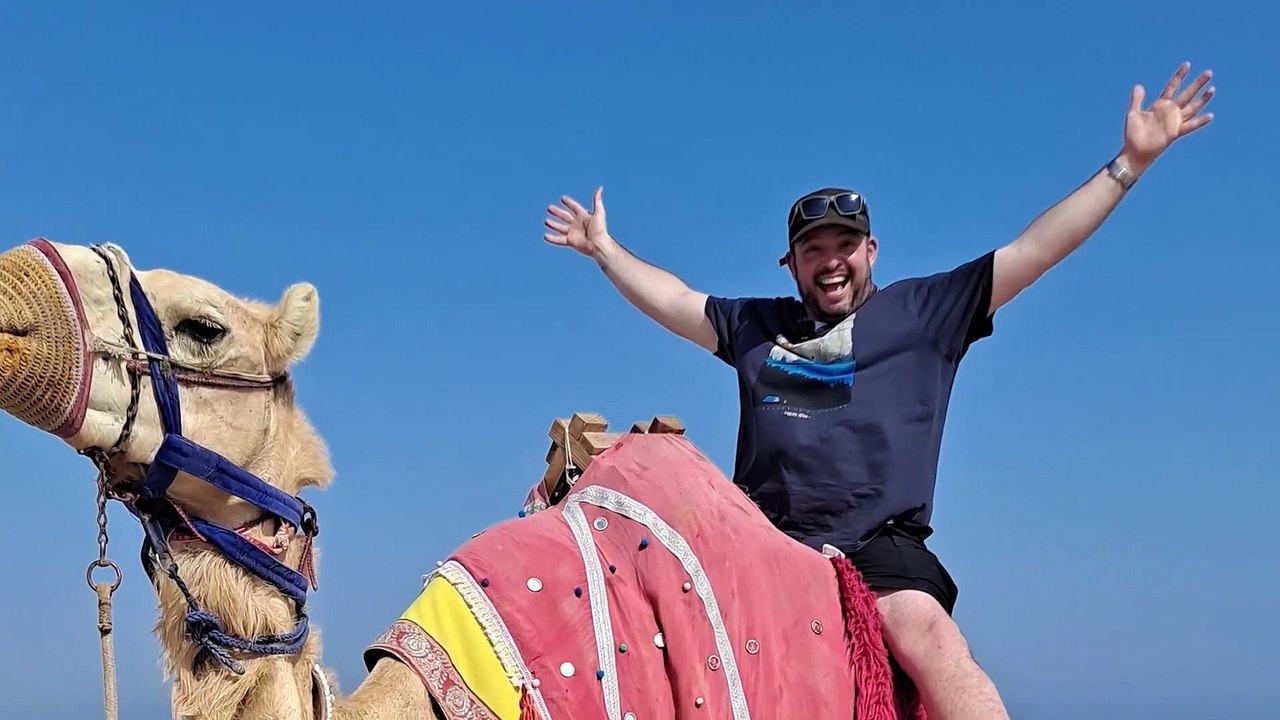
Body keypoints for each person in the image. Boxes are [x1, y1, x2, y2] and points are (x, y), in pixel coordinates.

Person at [541, 63, 1214, 720]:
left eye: (845, 244)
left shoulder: (925, 314)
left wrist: (1129, 165)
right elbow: (676, 300)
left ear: (871, 251)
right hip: (762, 539)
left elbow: (1035, 249)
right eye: (813, 249)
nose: (830, 259)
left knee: (930, 636)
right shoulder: (756, 326)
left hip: (878, 548)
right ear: (793, 264)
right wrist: (604, 248)